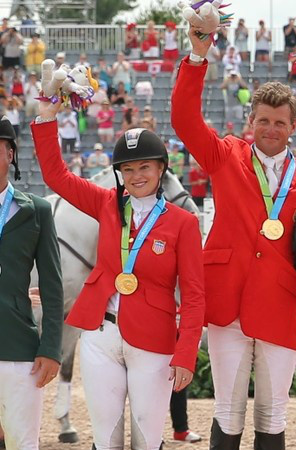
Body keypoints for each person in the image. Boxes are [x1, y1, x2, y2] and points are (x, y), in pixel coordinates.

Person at [171, 27, 296, 449]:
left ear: (292, 127)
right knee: (227, 411)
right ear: (251, 122)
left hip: (279, 298)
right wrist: (197, 57)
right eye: (263, 121)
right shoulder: (225, 153)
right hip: (226, 301)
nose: (271, 129)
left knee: (273, 413)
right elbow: (183, 120)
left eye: (279, 123)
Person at [33, 101, 205, 449]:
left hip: (154, 340)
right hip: (101, 335)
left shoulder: (183, 223)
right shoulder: (106, 204)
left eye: (145, 167)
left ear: (161, 170)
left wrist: (186, 353)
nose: (136, 175)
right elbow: (56, 175)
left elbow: (194, 294)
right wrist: (48, 116)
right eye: (128, 169)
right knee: (105, 436)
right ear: (119, 174)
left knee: (146, 437)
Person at [0, 116, 63, 450]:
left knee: (23, 443)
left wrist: (51, 348)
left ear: (10, 153)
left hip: (19, 349)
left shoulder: (38, 211)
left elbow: (53, 286)